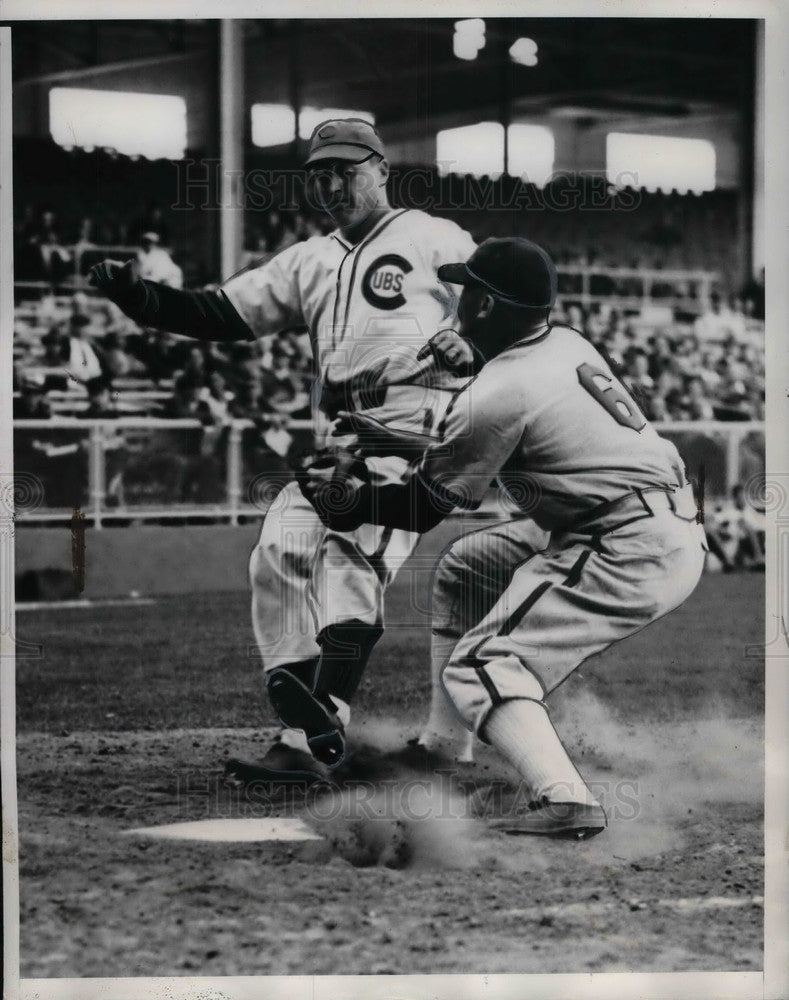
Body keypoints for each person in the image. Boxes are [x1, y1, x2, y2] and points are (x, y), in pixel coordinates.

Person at [88, 117, 478, 781]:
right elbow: (219, 314)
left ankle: (309, 732)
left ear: (382, 170)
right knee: (278, 551)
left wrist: (471, 344)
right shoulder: (309, 259)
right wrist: (137, 296)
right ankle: (303, 700)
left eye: (346, 171)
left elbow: (508, 309)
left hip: (412, 447)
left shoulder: (433, 237)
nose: (332, 186)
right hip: (339, 450)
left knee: (350, 564)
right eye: (320, 175)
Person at [298, 237, 707, 838]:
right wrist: (385, 437)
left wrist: (346, 504)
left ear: (486, 305)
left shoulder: (497, 392)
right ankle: (442, 748)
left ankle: (567, 800)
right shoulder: (566, 342)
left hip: (625, 545)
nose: (459, 300)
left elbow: (423, 507)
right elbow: (492, 433)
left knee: (486, 662)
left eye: (467, 290)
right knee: (467, 567)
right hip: (647, 522)